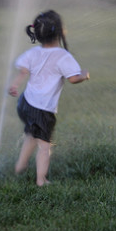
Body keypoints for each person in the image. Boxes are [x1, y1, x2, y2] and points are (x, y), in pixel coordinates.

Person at [8, 10, 89, 186]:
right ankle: (41, 180)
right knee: (44, 146)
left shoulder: (33, 52)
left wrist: (14, 85)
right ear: (60, 32)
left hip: (25, 103)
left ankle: (20, 166)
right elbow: (73, 79)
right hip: (42, 108)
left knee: (31, 134)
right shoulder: (63, 56)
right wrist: (85, 75)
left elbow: (23, 71)